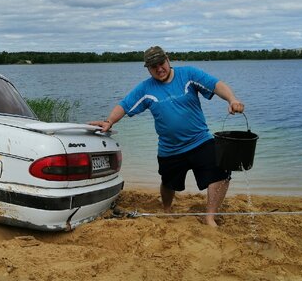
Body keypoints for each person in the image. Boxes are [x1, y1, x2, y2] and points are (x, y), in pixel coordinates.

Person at [89, 46, 244, 227]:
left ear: (168, 59)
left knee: (222, 174)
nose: (159, 69)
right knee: (168, 184)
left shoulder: (189, 74)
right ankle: (167, 210)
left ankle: (210, 217)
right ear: (148, 68)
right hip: (170, 149)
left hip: (200, 140)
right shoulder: (146, 88)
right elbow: (125, 104)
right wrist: (109, 121)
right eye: (153, 66)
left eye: (161, 63)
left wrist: (232, 99)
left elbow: (216, 85)